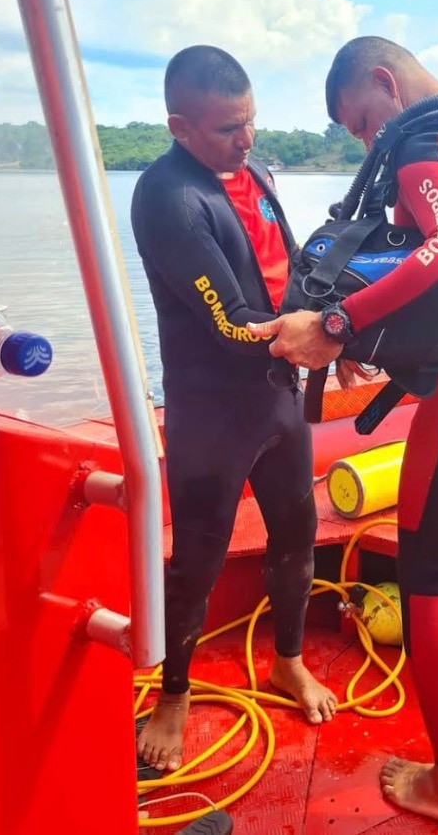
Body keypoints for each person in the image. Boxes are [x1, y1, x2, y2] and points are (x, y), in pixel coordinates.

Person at [248, 37, 438, 829]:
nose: (365, 143)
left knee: (427, 576)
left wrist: (337, 322)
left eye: (360, 122)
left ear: (384, 82)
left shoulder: (426, 138)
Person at [131, 45, 337, 773]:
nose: (245, 141)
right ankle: (174, 695)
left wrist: (338, 316)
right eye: (226, 130)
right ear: (180, 126)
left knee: (297, 535)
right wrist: (318, 341)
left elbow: (296, 274)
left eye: (250, 123)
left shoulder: (254, 173)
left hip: (276, 403)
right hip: (212, 413)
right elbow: (232, 324)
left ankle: (287, 660)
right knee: (197, 561)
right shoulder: (167, 198)